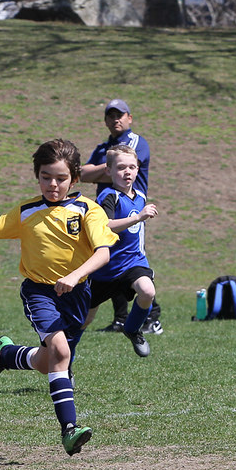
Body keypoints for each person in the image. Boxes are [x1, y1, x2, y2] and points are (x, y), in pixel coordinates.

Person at [0, 139, 118, 457]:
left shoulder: (87, 211)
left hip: (77, 294)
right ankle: (69, 430)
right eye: (45, 177)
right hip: (40, 291)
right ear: (37, 176)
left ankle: (6, 355)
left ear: (75, 179)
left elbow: (103, 253)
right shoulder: (26, 212)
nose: (53, 184)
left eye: (61, 178)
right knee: (61, 352)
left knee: (45, 362)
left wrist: (75, 275)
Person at [80, 98, 162, 335]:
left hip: (132, 206)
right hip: (110, 209)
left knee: (134, 265)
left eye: (120, 115)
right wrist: (106, 165)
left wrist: (110, 163)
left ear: (130, 118)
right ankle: (120, 319)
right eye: (111, 116)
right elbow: (82, 174)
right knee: (112, 261)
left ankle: (147, 320)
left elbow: (92, 171)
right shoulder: (103, 148)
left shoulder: (135, 142)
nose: (116, 119)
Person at [82, 145, 159, 358]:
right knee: (83, 322)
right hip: (104, 268)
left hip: (132, 263)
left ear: (137, 170)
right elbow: (105, 225)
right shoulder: (108, 196)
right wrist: (137, 217)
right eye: (121, 167)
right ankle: (64, 362)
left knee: (148, 291)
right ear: (108, 171)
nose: (127, 171)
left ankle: (132, 329)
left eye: (132, 167)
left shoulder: (140, 196)